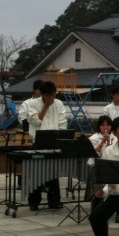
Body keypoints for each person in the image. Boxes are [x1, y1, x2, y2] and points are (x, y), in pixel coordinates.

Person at [27, 81, 69, 210]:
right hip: (38, 142)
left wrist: (61, 135)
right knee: (36, 174)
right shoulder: (33, 103)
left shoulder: (59, 103)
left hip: (54, 142)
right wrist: (45, 106)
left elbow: (63, 122)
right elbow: (34, 121)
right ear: (43, 94)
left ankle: (54, 201)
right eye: (49, 95)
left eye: (53, 94)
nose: (51, 98)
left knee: (53, 174)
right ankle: (34, 202)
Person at [87, 115, 113, 211]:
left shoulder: (115, 137)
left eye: (108, 125)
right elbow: (94, 153)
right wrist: (102, 142)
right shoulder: (93, 138)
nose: (105, 127)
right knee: (100, 190)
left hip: (111, 166)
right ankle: (96, 207)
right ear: (99, 126)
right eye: (103, 125)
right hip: (96, 166)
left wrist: (109, 142)